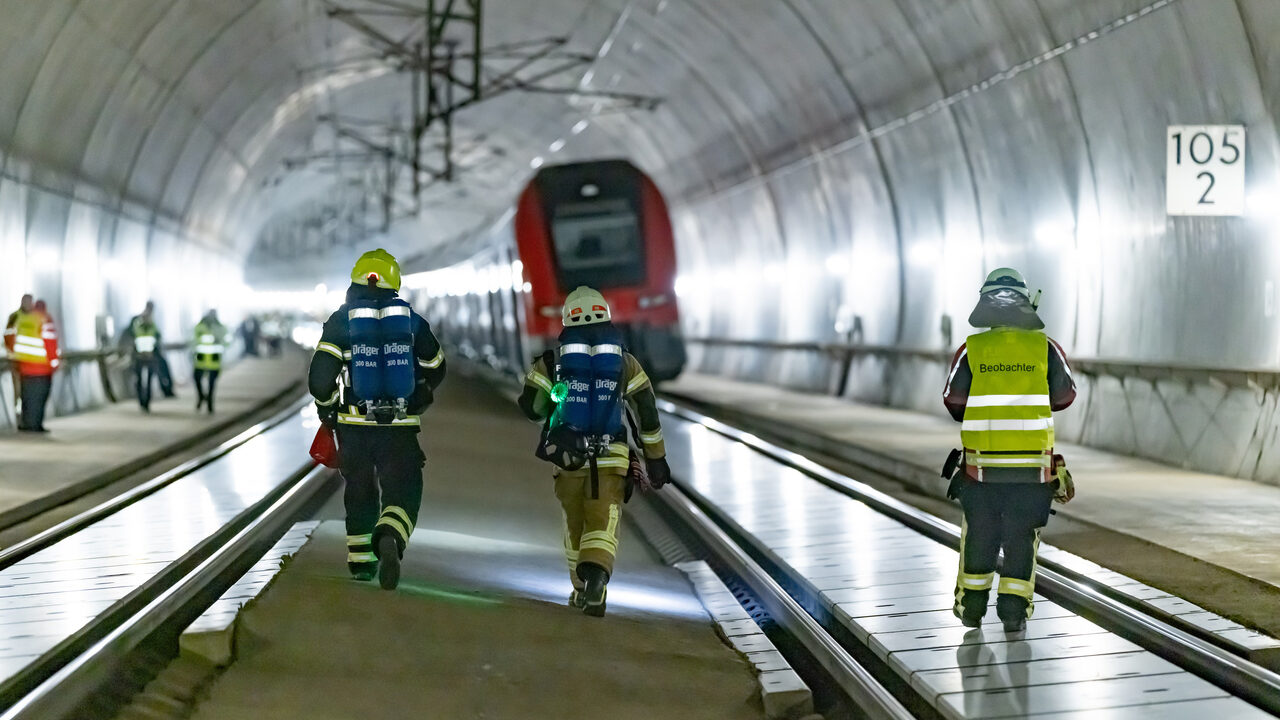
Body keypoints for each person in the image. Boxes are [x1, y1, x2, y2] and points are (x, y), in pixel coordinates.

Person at [517, 286, 672, 617]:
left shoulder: (552, 361)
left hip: (569, 459)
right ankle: (597, 579)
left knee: (576, 524)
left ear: (566, 319)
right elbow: (646, 412)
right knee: (603, 521)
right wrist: (655, 459)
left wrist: (556, 400)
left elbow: (531, 408)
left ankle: (580, 587)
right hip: (612, 457)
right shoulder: (624, 362)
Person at [942, 268, 1076, 633]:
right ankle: (1014, 612)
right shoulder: (1045, 348)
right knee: (1021, 539)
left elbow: (953, 402)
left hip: (980, 473)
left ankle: (971, 607)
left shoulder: (972, 349)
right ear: (1026, 304)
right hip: (1032, 472)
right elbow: (1065, 396)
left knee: (980, 536)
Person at [308, 249, 446, 590]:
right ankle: (390, 535)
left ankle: (360, 563)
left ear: (355, 280)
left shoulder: (341, 321)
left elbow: (320, 379)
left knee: (359, 489)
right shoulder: (410, 320)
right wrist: (422, 391)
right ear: (393, 281)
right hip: (399, 427)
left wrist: (328, 407)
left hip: (354, 427)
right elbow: (437, 365)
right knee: (403, 487)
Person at [4, 295, 59, 432]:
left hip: (23, 366)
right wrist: (54, 363)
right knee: (37, 398)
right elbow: (50, 342)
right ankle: (32, 424)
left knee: (26, 397)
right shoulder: (43, 318)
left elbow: (8, 336)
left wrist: (13, 353)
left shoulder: (15, 317)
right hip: (39, 367)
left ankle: (27, 423)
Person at [121, 302, 162, 412]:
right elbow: (130, 335)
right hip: (139, 357)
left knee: (148, 381)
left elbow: (158, 337)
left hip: (149, 357)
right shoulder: (136, 323)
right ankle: (142, 401)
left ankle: (146, 402)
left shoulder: (152, 325)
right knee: (139, 380)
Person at [193, 310, 228, 414]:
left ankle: (210, 403)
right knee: (197, 379)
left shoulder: (220, 328)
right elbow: (193, 340)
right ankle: (201, 397)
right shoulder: (199, 327)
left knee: (212, 384)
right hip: (201, 360)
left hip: (213, 360)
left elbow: (226, 342)